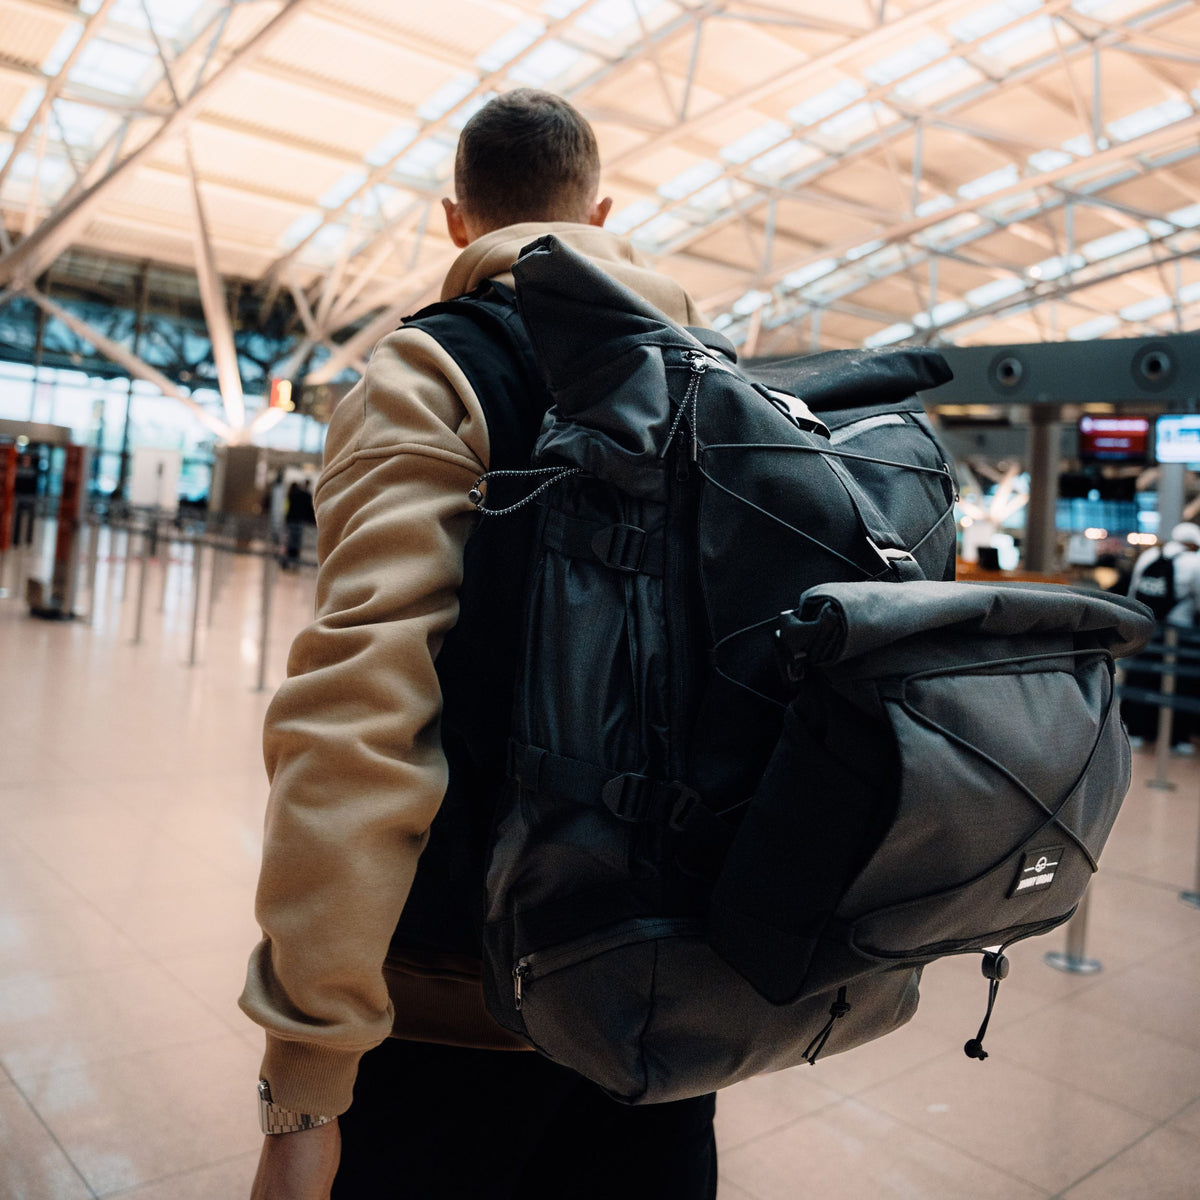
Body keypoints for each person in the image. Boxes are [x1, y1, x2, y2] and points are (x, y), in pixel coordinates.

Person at [241, 89, 718, 1200]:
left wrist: (305, 1076)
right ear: (603, 209)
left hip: (457, 1008)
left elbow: (359, 713)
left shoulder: (429, 375)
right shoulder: (714, 383)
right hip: (665, 1009)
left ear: (457, 220)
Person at [1124, 521, 1200, 747]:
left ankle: (1135, 730)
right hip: (1180, 631)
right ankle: (1176, 739)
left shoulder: (1149, 556)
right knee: (1179, 682)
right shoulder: (1194, 562)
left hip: (1148, 626)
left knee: (1142, 677)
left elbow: (1132, 592)